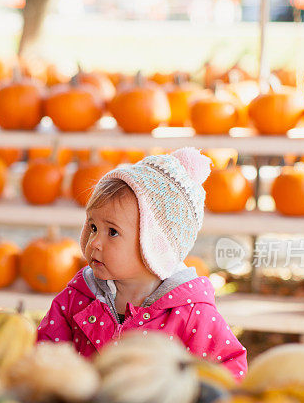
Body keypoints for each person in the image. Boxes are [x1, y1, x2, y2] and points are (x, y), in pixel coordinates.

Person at [36, 148, 247, 380]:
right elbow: (44, 356)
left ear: (155, 246)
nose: (94, 242)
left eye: (112, 232)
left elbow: (229, 371)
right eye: (93, 227)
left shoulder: (191, 315)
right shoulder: (78, 297)